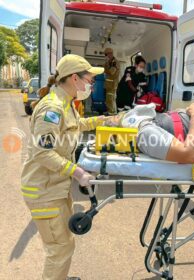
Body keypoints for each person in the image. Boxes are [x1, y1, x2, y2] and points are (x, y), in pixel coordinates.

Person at [21, 54, 111, 280]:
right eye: (89, 79)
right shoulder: (51, 109)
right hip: (44, 191)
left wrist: (107, 120)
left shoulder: (65, 103)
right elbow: (43, 152)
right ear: (74, 78)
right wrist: (77, 172)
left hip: (54, 188)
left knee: (63, 243)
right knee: (59, 248)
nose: (91, 84)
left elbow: (77, 125)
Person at [104, 47, 120, 115]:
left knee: (111, 100)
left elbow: (111, 72)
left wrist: (105, 69)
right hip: (108, 84)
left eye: (107, 54)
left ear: (110, 54)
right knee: (108, 101)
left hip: (113, 85)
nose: (107, 56)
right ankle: (110, 113)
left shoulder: (114, 62)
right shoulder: (109, 62)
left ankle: (112, 115)